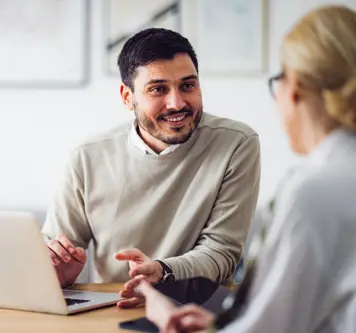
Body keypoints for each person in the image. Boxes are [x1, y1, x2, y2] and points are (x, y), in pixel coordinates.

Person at [137, 5, 356, 332]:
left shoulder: (312, 191)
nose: (176, 104)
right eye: (158, 88)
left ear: (293, 88)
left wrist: (163, 313)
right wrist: (220, 322)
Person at [41, 28, 261, 308]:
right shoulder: (87, 156)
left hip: (199, 309)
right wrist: (59, 272)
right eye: (158, 89)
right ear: (126, 97)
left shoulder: (236, 144)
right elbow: (55, 253)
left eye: (188, 85)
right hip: (113, 307)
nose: (177, 103)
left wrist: (163, 271)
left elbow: (221, 252)